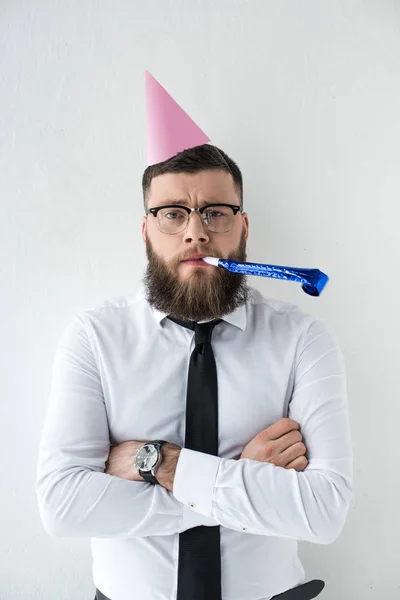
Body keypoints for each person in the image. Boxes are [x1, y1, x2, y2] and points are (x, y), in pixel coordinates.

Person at [36, 74, 353, 600]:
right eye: (173, 214)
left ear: (243, 228)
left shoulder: (304, 341)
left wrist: (157, 462)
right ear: (145, 231)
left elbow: (323, 512)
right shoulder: (93, 339)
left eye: (215, 212)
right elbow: (63, 505)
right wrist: (237, 481)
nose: (195, 232)